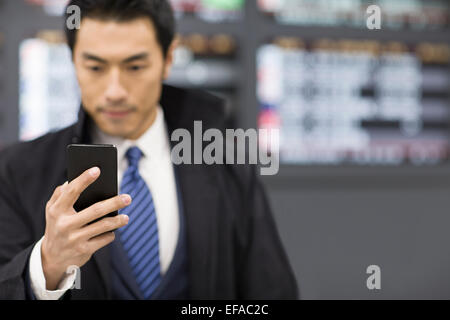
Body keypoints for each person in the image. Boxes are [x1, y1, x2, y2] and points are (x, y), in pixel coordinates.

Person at [0, 0, 297, 300]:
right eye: (95, 67)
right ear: (73, 59)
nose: (114, 91)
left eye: (135, 66)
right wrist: (47, 264)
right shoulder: (17, 171)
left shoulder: (225, 161)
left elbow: (272, 290)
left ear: (168, 58)